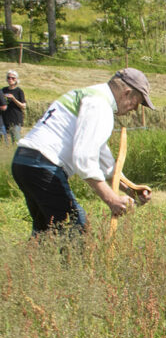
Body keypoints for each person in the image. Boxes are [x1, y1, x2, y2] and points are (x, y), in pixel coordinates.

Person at [12, 68, 154, 236]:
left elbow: (103, 159)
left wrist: (130, 189)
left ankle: (31, 261)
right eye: (137, 102)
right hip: (43, 165)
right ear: (127, 93)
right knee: (77, 230)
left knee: (45, 232)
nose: (136, 109)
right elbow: (84, 158)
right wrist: (111, 199)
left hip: (24, 162)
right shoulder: (100, 106)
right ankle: (74, 261)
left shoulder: (91, 96)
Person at [2, 70, 26, 144]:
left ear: (16, 80)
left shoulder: (19, 91)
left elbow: (23, 106)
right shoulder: (3, 90)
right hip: (4, 118)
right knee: (5, 141)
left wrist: (13, 99)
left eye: (13, 78)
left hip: (15, 119)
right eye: (9, 78)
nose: (10, 80)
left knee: (15, 140)